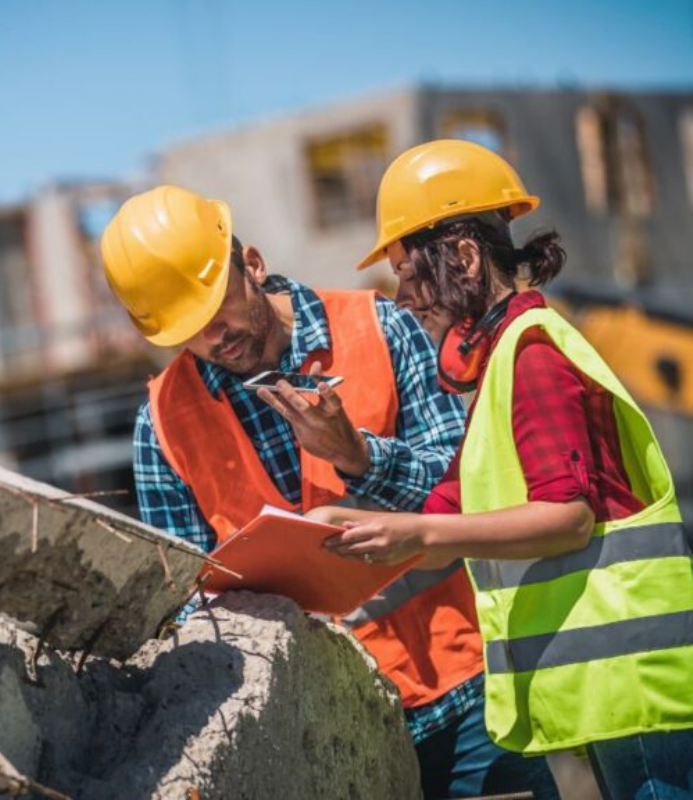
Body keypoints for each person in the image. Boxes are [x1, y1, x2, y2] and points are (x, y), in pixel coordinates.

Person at [100, 184, 558, 799]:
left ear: (252, 264)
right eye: (190, 328)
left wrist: (358, 456)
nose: (215, 335)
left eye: (219, 306)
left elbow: (471, 491)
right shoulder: (161, 426)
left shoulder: (378, 326)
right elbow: (181, 609)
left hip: (464, 700)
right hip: (321, 741)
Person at [320, 138, 693, 799]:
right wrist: (329, 556)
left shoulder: (533, 354)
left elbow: (568, 518)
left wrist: (423, 537)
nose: (403, 297)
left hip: (642, 682)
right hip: (614, 688)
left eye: (410, 273)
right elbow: (442, 518)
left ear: (463, 254)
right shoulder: (500, 363)